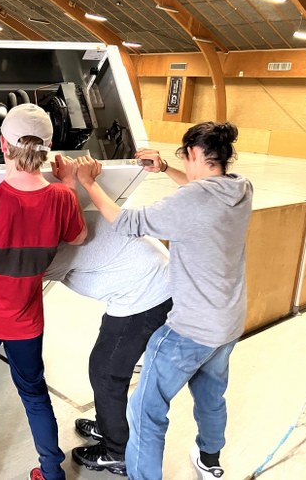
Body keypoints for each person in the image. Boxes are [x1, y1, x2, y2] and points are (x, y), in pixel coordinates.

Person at [74, 122, 253, 480]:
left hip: (190, 329)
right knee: (211, 395)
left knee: (145, 411)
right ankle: (210, 459)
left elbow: (127, 222)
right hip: (229, 323)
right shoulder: (240, 188)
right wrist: (166, 169)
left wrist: (88, 183)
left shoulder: (190, 200)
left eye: (184, 158)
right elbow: (202, 192)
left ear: (194, 153)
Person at [0, 103, 87, 480]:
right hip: (26, 323)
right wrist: (70, 185)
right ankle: (52, 471)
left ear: (4, 146)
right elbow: (78, 236)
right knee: (35, 395)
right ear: (48, 148)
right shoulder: (61, 199)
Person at [43, 209, 172, 476]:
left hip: (147, 292)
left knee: (106, 373)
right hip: (145, 281)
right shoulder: (61, 214)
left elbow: (18, 284)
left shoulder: (49, 250)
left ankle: (117, 452)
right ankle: (107, 426)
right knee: (107, 366)